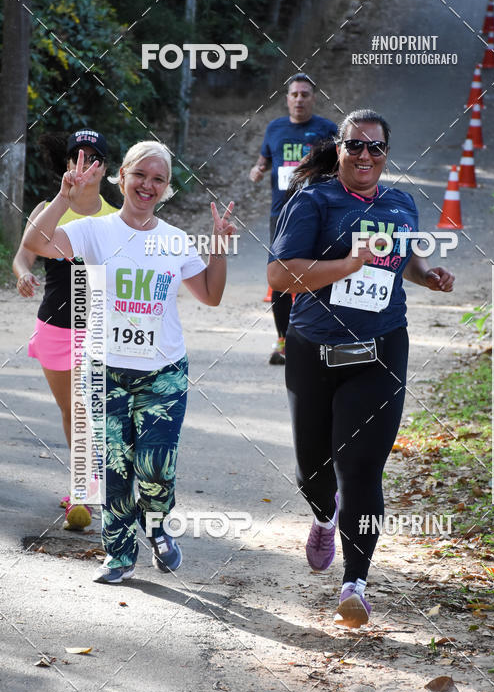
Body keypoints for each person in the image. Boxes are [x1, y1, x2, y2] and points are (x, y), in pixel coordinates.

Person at [267, 109, 455, 628]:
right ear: (340, 149)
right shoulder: (313, 200)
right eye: (356, 147)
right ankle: (323, 516)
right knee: (315, 472)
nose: (365, 156)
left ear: (386, 153)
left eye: (375, 148)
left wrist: (427, 275)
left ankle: (356, 582)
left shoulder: (399, 203)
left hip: (381, 350)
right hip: (315, 350)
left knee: (362, 468)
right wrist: (347, 265)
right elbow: (280, 274)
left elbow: (405, 260)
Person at [24, 140, 235, 584]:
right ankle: (118, 555)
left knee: (155, 469)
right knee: (113, 469)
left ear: (166, 188)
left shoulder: (175, 240)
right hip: (104, 370)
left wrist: (218, 247)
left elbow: (211, 296)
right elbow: (37, 242)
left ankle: (158, 528)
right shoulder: (95, 230)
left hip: (164, 373)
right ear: (122, 176)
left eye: (158, 179)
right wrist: (64, 195)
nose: (148, 185)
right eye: (141, 175)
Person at [13, 129, 117, 530]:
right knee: (69, 410)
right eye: (77, 156)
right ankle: (88, 483)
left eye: (92, 157)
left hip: (96, 329)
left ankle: (84, 490)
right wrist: (23, 275)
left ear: (104, 168)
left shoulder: (115, 216)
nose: (83, 164)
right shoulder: (49, 207)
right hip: (54, 325)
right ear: (68, 164)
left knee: (84, 409)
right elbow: (25, 253)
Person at [249, 74, 337, 364]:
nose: (299, 99)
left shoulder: (327, 129)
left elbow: (341, 165)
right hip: (282, 214)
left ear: (313, 98)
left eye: (305, 94)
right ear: (287, 99)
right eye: (294, 94)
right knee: (280, 278)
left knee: (320, 275)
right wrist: (258, 169)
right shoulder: (275, 128)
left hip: (319, 213)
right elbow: (265, 158)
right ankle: (284, 340)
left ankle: (320, 339)